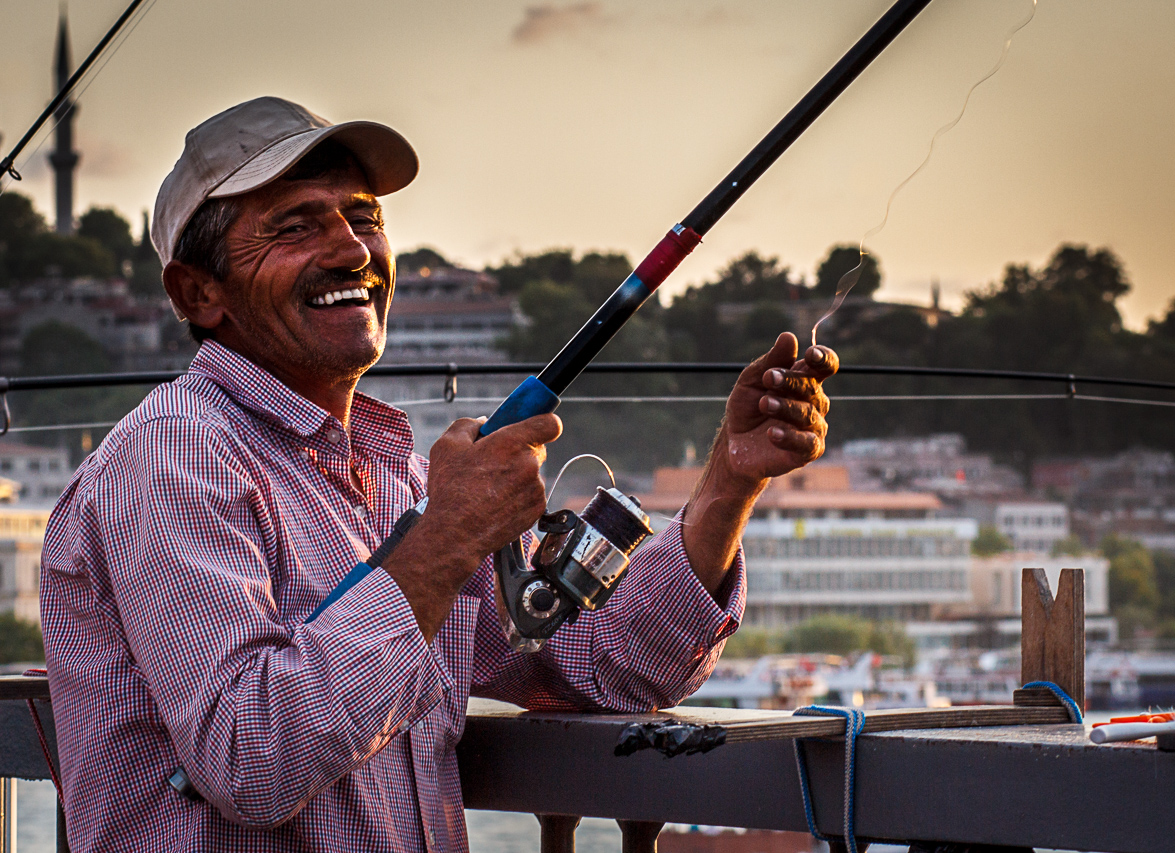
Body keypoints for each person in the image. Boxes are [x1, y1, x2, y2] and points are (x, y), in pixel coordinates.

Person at [40, 96, 837, 852]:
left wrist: (731, 479)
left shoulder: (398, 481)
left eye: (363, 218)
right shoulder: (171, 458)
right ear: (199, 291)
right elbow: (253, 756)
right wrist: (447, 537)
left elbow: (606, 663)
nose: (352, 250)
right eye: (294, 226)